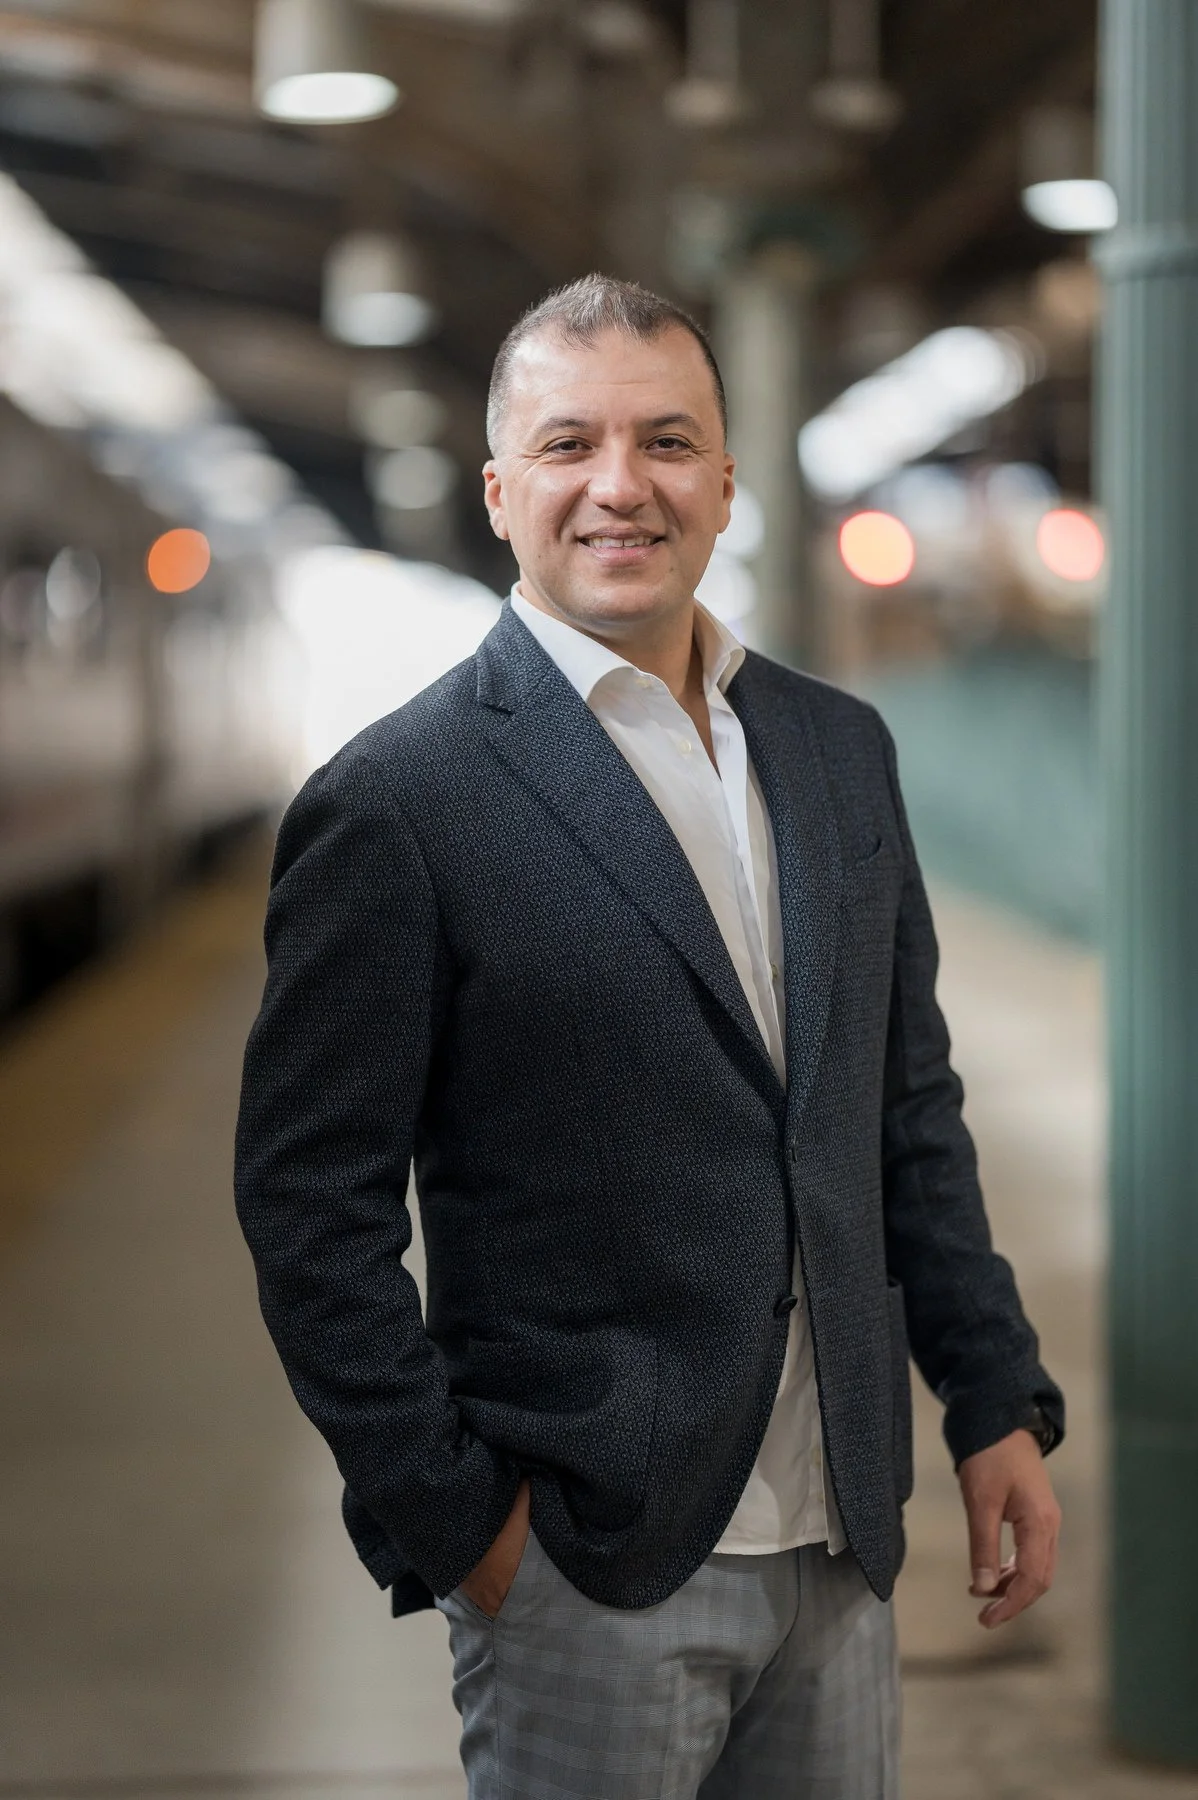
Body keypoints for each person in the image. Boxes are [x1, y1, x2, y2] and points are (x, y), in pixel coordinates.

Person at [234, 274, 1063, 1798]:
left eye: (667, 441)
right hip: (591, 1555)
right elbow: (307, 1211)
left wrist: (990, 1396)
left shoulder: (835, 751)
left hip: (841, 1533)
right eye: (568, 446)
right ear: (500, 493)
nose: (620, 486)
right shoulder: (397, 805)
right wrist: (462, 1526)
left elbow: (905, 1111)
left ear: (727, 483)